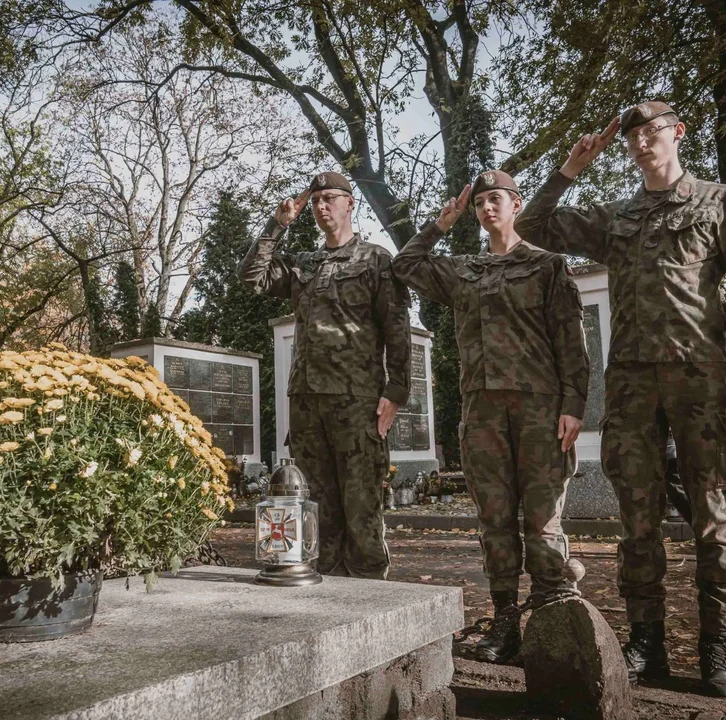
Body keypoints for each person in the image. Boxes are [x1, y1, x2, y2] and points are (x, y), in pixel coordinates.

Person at [516, 101, 726, 699]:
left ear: (678, 133)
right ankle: (647, 643)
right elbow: (532, 228)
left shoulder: (720, 201)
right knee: (636, 522)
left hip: (703, 383)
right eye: (632, 135)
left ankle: (718, 650)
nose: (641, 142)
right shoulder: (618, 217)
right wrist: (569, 171)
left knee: (716, 517)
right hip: (633, 387)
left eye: (653, 130)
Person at [393, 169, 589, 663]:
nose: (486, 208)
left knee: (543, 520)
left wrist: (573, 406)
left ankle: (551, 616)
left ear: (517, 203)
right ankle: (505, 621)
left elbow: (571, 340)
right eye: (479, 203)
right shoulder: (466, 270)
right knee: (494, 520)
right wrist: (440, 224)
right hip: (482, 411)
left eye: (495, 199)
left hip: (540, 408)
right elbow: (406, 265)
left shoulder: (547, 266)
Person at [238, 171, 411, 579]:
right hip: (308, 401)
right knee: (315, 509)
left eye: (330, 198)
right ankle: (330, 596)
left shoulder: (375, 259)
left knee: (362, 509)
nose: (321, 206)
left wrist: (396, 390)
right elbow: (252, 276)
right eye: (316, 200)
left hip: (358, 401)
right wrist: (277, 224)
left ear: (351, 204)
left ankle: (371, 600)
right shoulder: (303, 264)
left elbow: (396, 327)